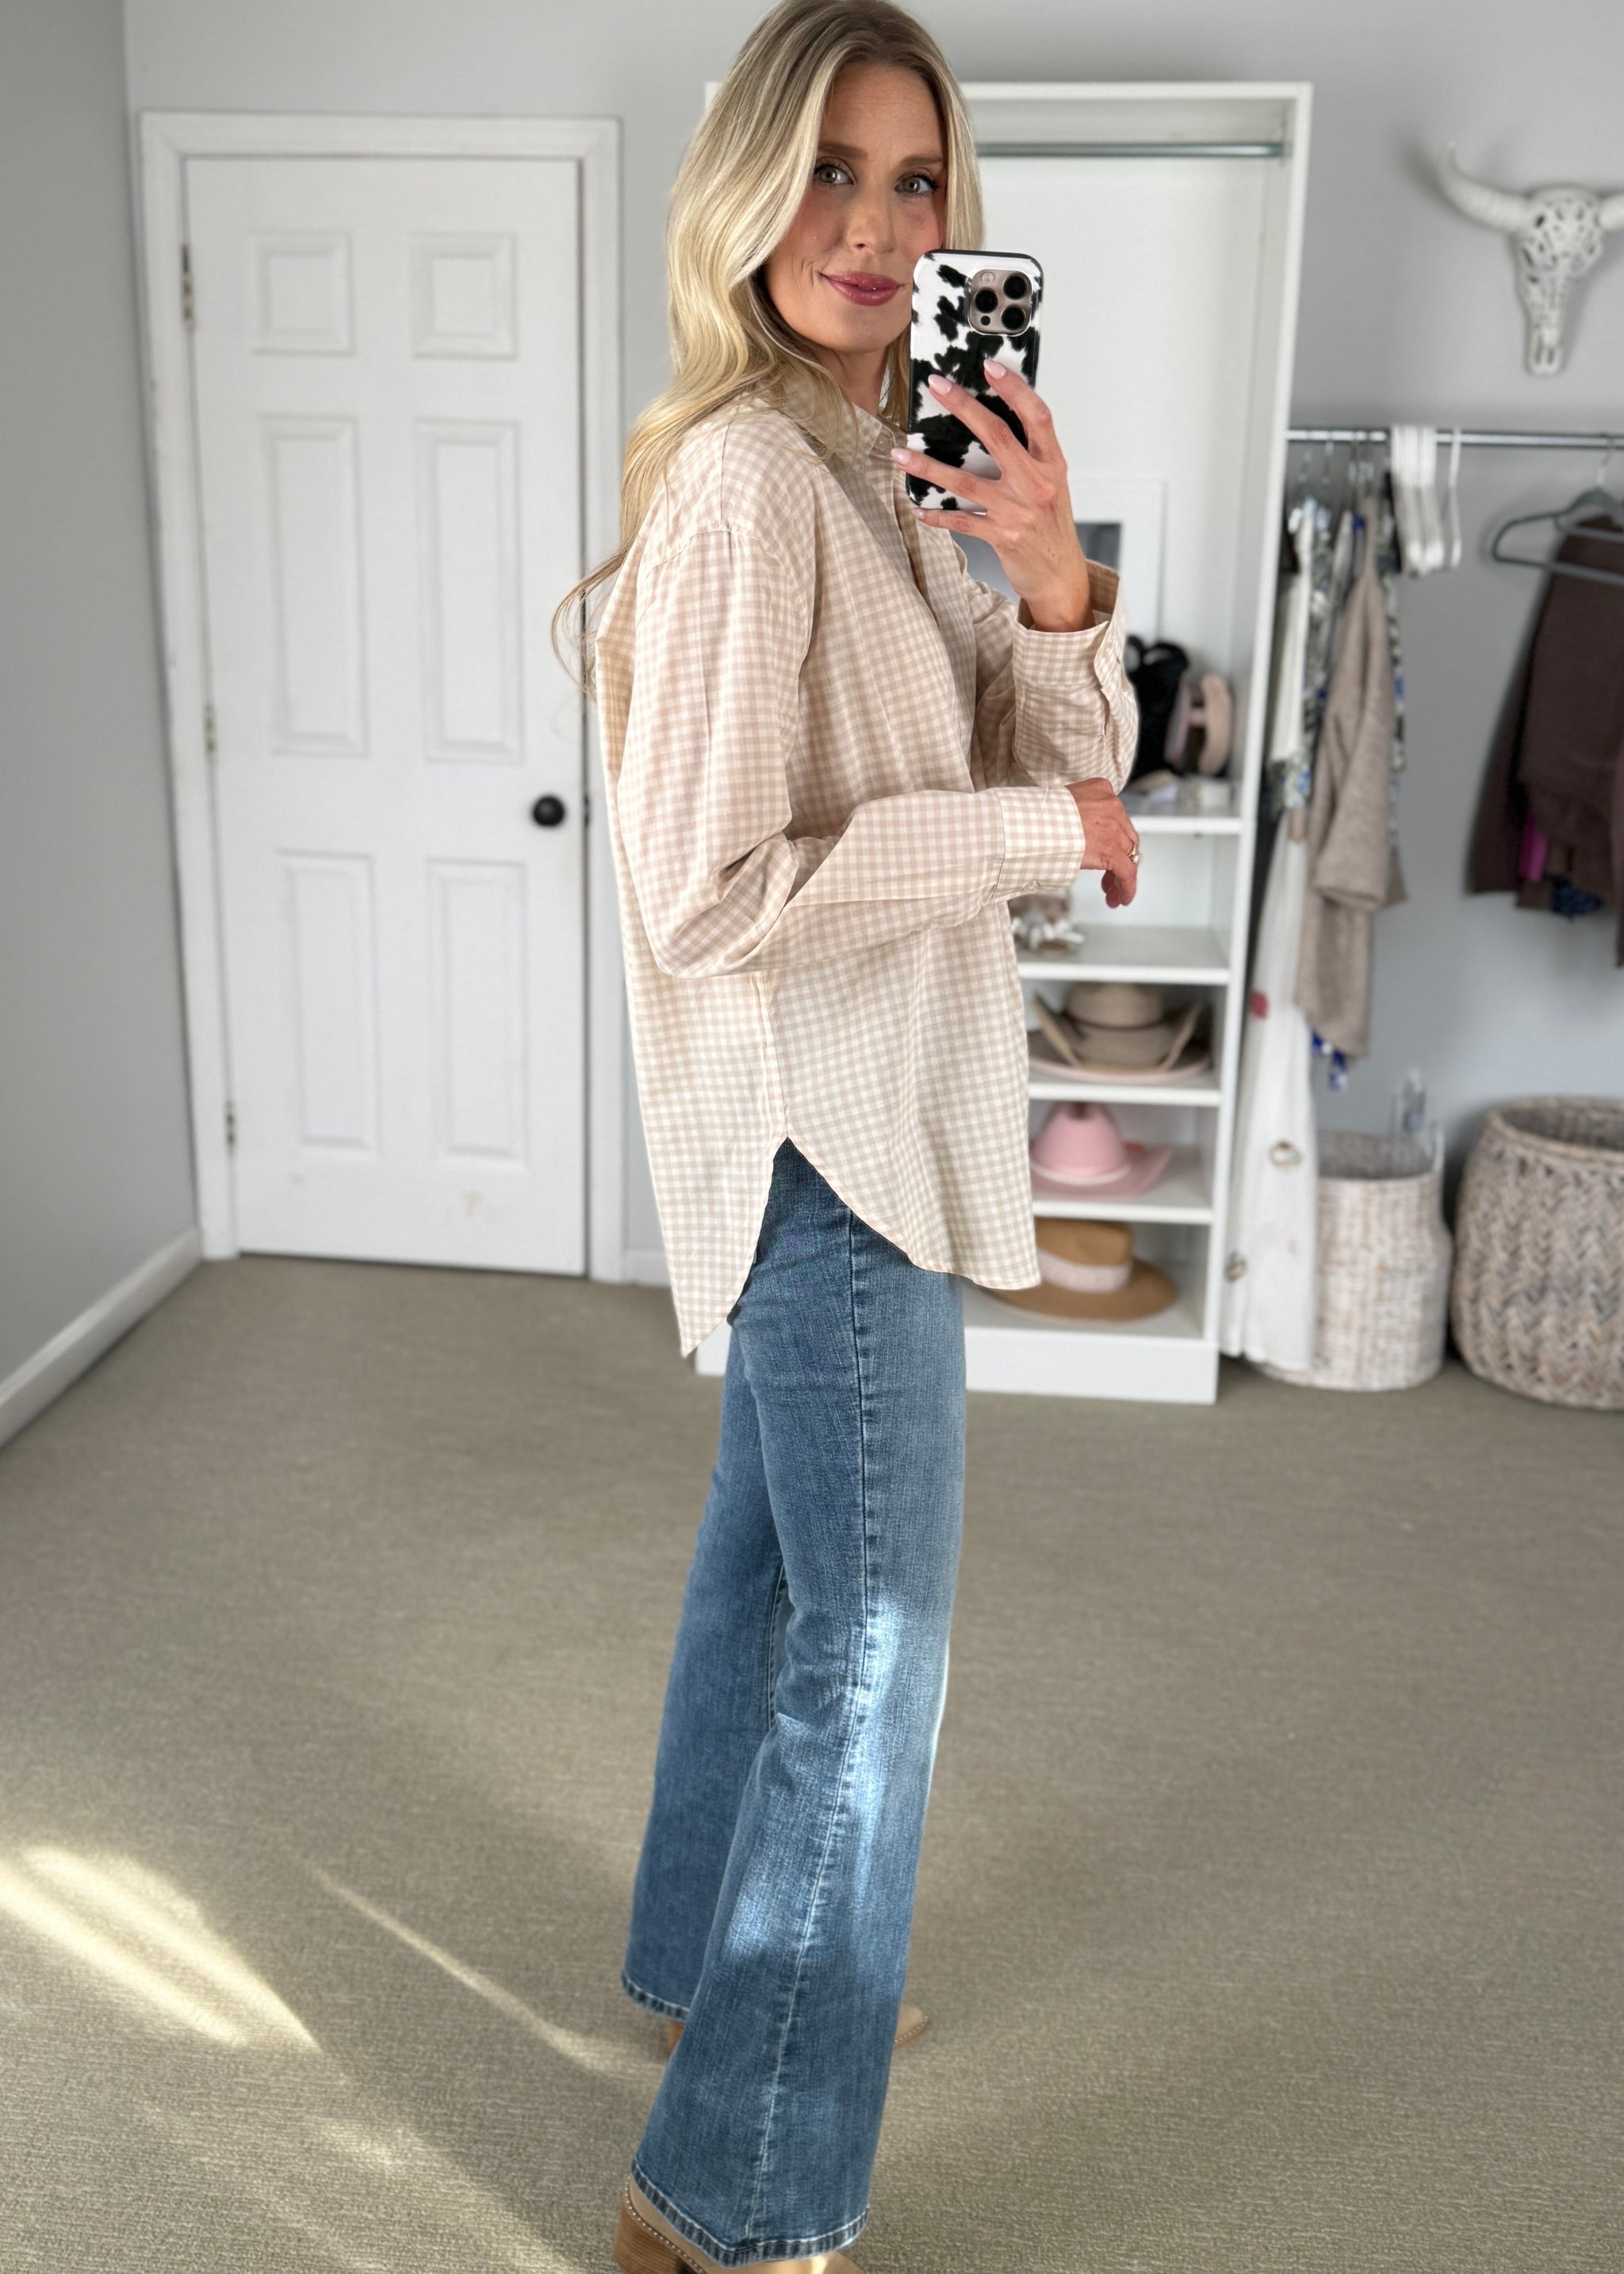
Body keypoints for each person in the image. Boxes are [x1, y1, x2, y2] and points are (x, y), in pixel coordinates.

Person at [554, 5, 1139, 2267]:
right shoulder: (746, 483)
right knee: (873, 1643)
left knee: (777, 1576)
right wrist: (1032, 833)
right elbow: (707, 891)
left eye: (915, 184)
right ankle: (733, 2186)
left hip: (865, 1098)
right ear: (744, 189)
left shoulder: (871, 462)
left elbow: (1034, 742)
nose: (878, 230)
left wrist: (1052, 576)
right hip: (830, 1127)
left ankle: (712, 1977)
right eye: (828, 170)